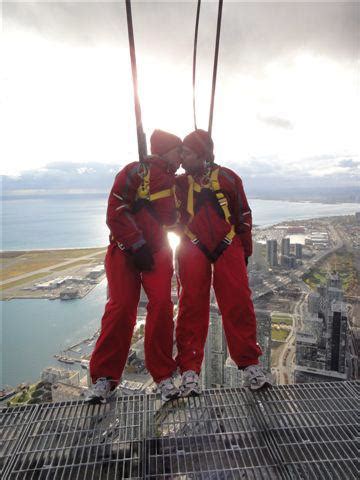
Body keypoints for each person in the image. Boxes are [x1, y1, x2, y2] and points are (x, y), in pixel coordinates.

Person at [86, 130, 183, 404]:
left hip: (156, 250)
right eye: (178, 152)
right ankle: (105, 378)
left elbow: (175, 217)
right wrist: (136, 243)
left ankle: (163, 375)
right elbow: (114, 210)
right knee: (121, 307)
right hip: (126, 249)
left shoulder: (174, 182)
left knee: (162, 305)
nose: (181, 160)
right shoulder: (133, 172)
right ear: (166, 150)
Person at [175, 129, 272, 396]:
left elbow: (242, 215)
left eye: (187, 152)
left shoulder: (228, 178)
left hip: (226, 243)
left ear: (202, 154)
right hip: (193, 244)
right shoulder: (180, 183)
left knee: (238, 302)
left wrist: (245, 250)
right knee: (191, 306)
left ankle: (249, 364)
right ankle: (190, 370)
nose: (181, 157)